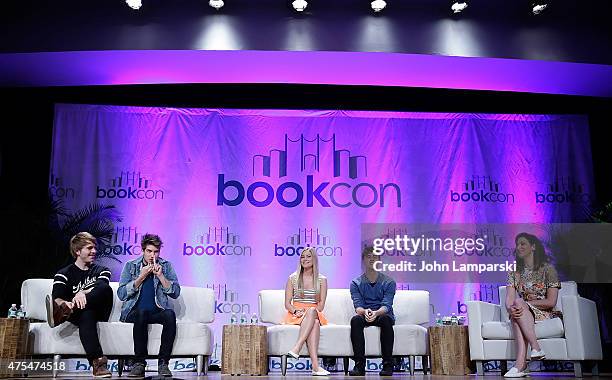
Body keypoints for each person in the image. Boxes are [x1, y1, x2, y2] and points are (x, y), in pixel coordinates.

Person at [45, 232, 113, 378]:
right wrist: (64, 303)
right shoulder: (63, 273)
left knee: (104, 288)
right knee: (86, 314)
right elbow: (57, 298)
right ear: (77, 251)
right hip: (81, 314)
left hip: (99, 308)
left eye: (94, 248)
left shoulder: (102, 270)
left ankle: (64, 313)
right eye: (89, 248)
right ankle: (98, 363)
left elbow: (102, 285)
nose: (94, 251)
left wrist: (82, 293)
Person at [117, 234, 181, 378]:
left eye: (156, 252)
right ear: (143, 250)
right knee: (141, 312)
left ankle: (163, 363)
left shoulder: (166, 266)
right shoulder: (131, 266)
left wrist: (161, 276)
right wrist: (141, 277)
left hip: (156, 311)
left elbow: (175, 292)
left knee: (170, 314)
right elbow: (121, 294)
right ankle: (139, 363)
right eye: (149, 251)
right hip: (134, 312)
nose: (152, 255)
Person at [503, 232, 562, 378]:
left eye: (523, 243)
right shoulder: (514, 272)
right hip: (524, 312)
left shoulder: (548, 270)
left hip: (545, 312)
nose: (519, 247)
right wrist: (511, 308)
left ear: (533, 247)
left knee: (518, 306)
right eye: (517, 244)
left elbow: (551, 302)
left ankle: (521, 364)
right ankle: (534, 350)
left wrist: (524, 304)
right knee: (516, 309)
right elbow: (509, 299)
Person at [349, 246, 396, 376]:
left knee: (386, 319)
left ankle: (388, 365)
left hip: (382, 314)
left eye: (375, 256)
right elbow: (358, 306)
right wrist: (365, 312)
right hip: (365, 313)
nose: (372, 259)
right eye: (368, 256)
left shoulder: (389, 282)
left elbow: (387, 305)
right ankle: (359, 365)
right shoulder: (356, 283)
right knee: (355, 320)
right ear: (363, 260)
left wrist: (376, 313)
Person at [283, 247, 330, 376]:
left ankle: (297, 348)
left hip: (315, 312)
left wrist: (310, 311)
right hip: (296, 315)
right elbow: (287, 303)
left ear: (314, 259)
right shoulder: (292, 278)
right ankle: (315, 366)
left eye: (308, 256)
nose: (305, 259)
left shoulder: (322, 280)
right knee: (314, 323)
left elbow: (321, 306)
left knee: (312, 312)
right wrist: (295, 310)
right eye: (303, 257)